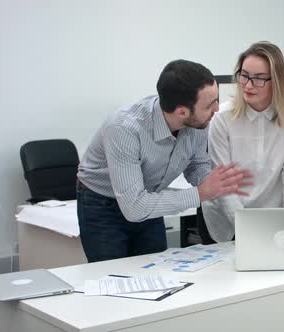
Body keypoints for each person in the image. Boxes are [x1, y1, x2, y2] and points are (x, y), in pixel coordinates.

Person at [76, 60, 252, 263]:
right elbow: (134, 208)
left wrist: (214, 182)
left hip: (149, 197)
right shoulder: (124, 128)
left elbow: (196, 164)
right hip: (102, 204)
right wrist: (201, 193)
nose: (216, 109)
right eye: (209, 104)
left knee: (156, 270)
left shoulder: (199, 123)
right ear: (182, 112)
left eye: (216, 100)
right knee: (112, 277)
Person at [201, 41, 284, 243]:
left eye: (259, 79)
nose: (248, 85)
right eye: (244, 75)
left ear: (275, 81)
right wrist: (248, 230)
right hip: (228, 220)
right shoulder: (222, 117)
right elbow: (226, 185)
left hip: (274, 219)